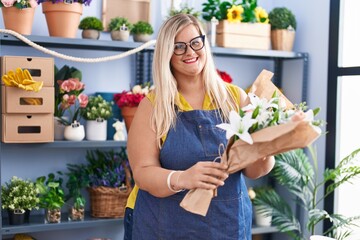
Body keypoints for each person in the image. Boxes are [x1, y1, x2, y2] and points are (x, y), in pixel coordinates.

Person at [125, 13, 275, 239]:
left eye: (196, 43)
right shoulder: (154, 106)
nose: (190, 52)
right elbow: (143, 173)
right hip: (163, 224)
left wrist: (267, 147)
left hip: (226, 222)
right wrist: (183, 178)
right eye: (179, 47)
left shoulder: (235, 98)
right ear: (167, 53)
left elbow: (253, 171)